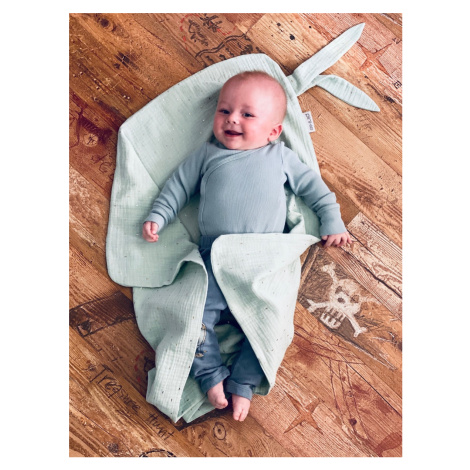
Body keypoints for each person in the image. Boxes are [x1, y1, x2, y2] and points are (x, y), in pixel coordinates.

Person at [142, 71, 352, 422]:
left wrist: (332, 220)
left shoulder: (279, 157)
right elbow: (177, 187)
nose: (232, 119)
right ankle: (210, 375)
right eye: (224, 111)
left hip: (263, 262)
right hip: (215, 260)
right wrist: (159, 215)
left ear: (273, 132)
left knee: (270, 323)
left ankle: (244, 384)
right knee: (194, 317)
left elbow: (315, 189)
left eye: (247, 114)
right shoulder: (207, 155)